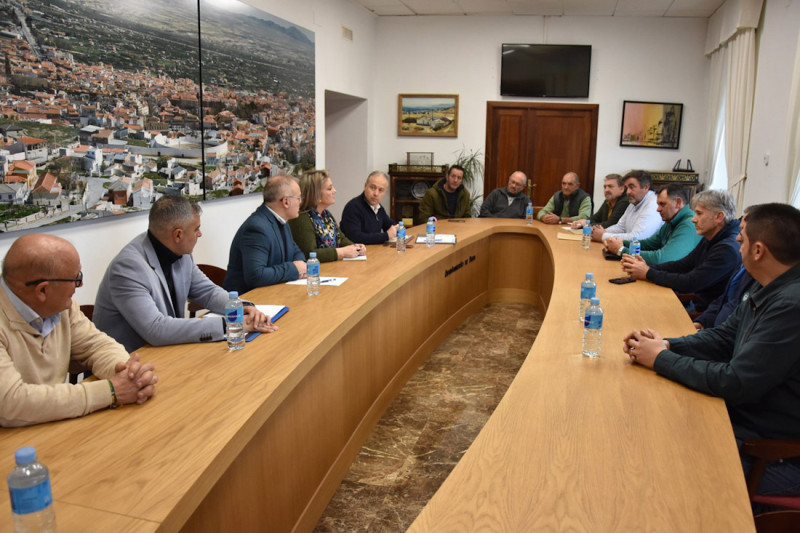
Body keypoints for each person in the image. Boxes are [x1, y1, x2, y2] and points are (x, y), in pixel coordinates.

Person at [623, 203, 800, 502]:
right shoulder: (767, 285)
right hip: (747, 423)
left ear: (758, 251)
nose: (736, 241)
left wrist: (661, 359)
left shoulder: (790, 306)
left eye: (741, 237)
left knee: (657, 468)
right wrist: (666, 345)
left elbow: (737, 381)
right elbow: (724, 337)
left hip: (772, 453)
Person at [0, 234, 157, 427]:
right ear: (42, 291)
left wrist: (127, 372)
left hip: (52, 426)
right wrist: (111, 390)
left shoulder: (63, 308)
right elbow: (11, 404)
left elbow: (97, 345)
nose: (80, 285)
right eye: (76, 278)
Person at [94, 196, 275, 353]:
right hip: (132, 362)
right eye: (196, 229)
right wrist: (229, 325)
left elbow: (207, 292)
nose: (200, 233)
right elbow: (156, 329)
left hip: (167, 351)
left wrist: (241, 307)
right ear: (178, 235)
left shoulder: (179, 252)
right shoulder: (128, 268)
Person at [621, 189, 740, 312]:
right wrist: (645, 268)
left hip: (705, 315)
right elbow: (683, 265)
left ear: (719, 217)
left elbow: (690, 283)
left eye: (699, 214)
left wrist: (648, 273)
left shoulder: (727, 249)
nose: (694, 219)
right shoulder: (712, 236)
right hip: (698, 305)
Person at [224, 175, 308, 294]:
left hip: (276, 293)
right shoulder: (257, 228)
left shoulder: (282, 221)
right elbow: (256, 276)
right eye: (298, 197)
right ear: (286, 201)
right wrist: (294, 269)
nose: (301, 202)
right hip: (247, 302)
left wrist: (300, 267)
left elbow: (297, 253)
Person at [604, 184, 700, 265]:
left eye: (662, 204)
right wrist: (618, 242)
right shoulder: (671, 220)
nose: (658, 209)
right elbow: (649, 244)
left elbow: (662, 259)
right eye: (658, 204)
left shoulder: (689, 224)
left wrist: (621, 250)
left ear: (678, 203)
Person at [289, 169, 365, 262]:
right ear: (316, 195)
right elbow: (309, 253)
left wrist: (356, 247)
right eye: (329, 188)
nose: (335, 191)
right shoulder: (301, 218)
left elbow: (341, 239)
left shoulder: (326, 214)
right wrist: (341, 252)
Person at [592, 170, 662, 243]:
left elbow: (638, 237)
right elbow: (620, 227)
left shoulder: (653, 204)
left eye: (632, 187)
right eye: (627, 188)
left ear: (646, 187)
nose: (628, 192)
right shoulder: (634, 202)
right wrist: (601, 232)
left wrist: (604, 236)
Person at [340, 170, 398, 245]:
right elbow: (355, 237)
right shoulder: (353, 207)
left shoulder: (378, 207)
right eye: (373, 188)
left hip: (373, 250)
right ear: (365, 186)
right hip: (356, 254)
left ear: (385, 193)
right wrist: (386, 235)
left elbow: (389, 225)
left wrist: (397, 227)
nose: (376, 194)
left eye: (381, 190)